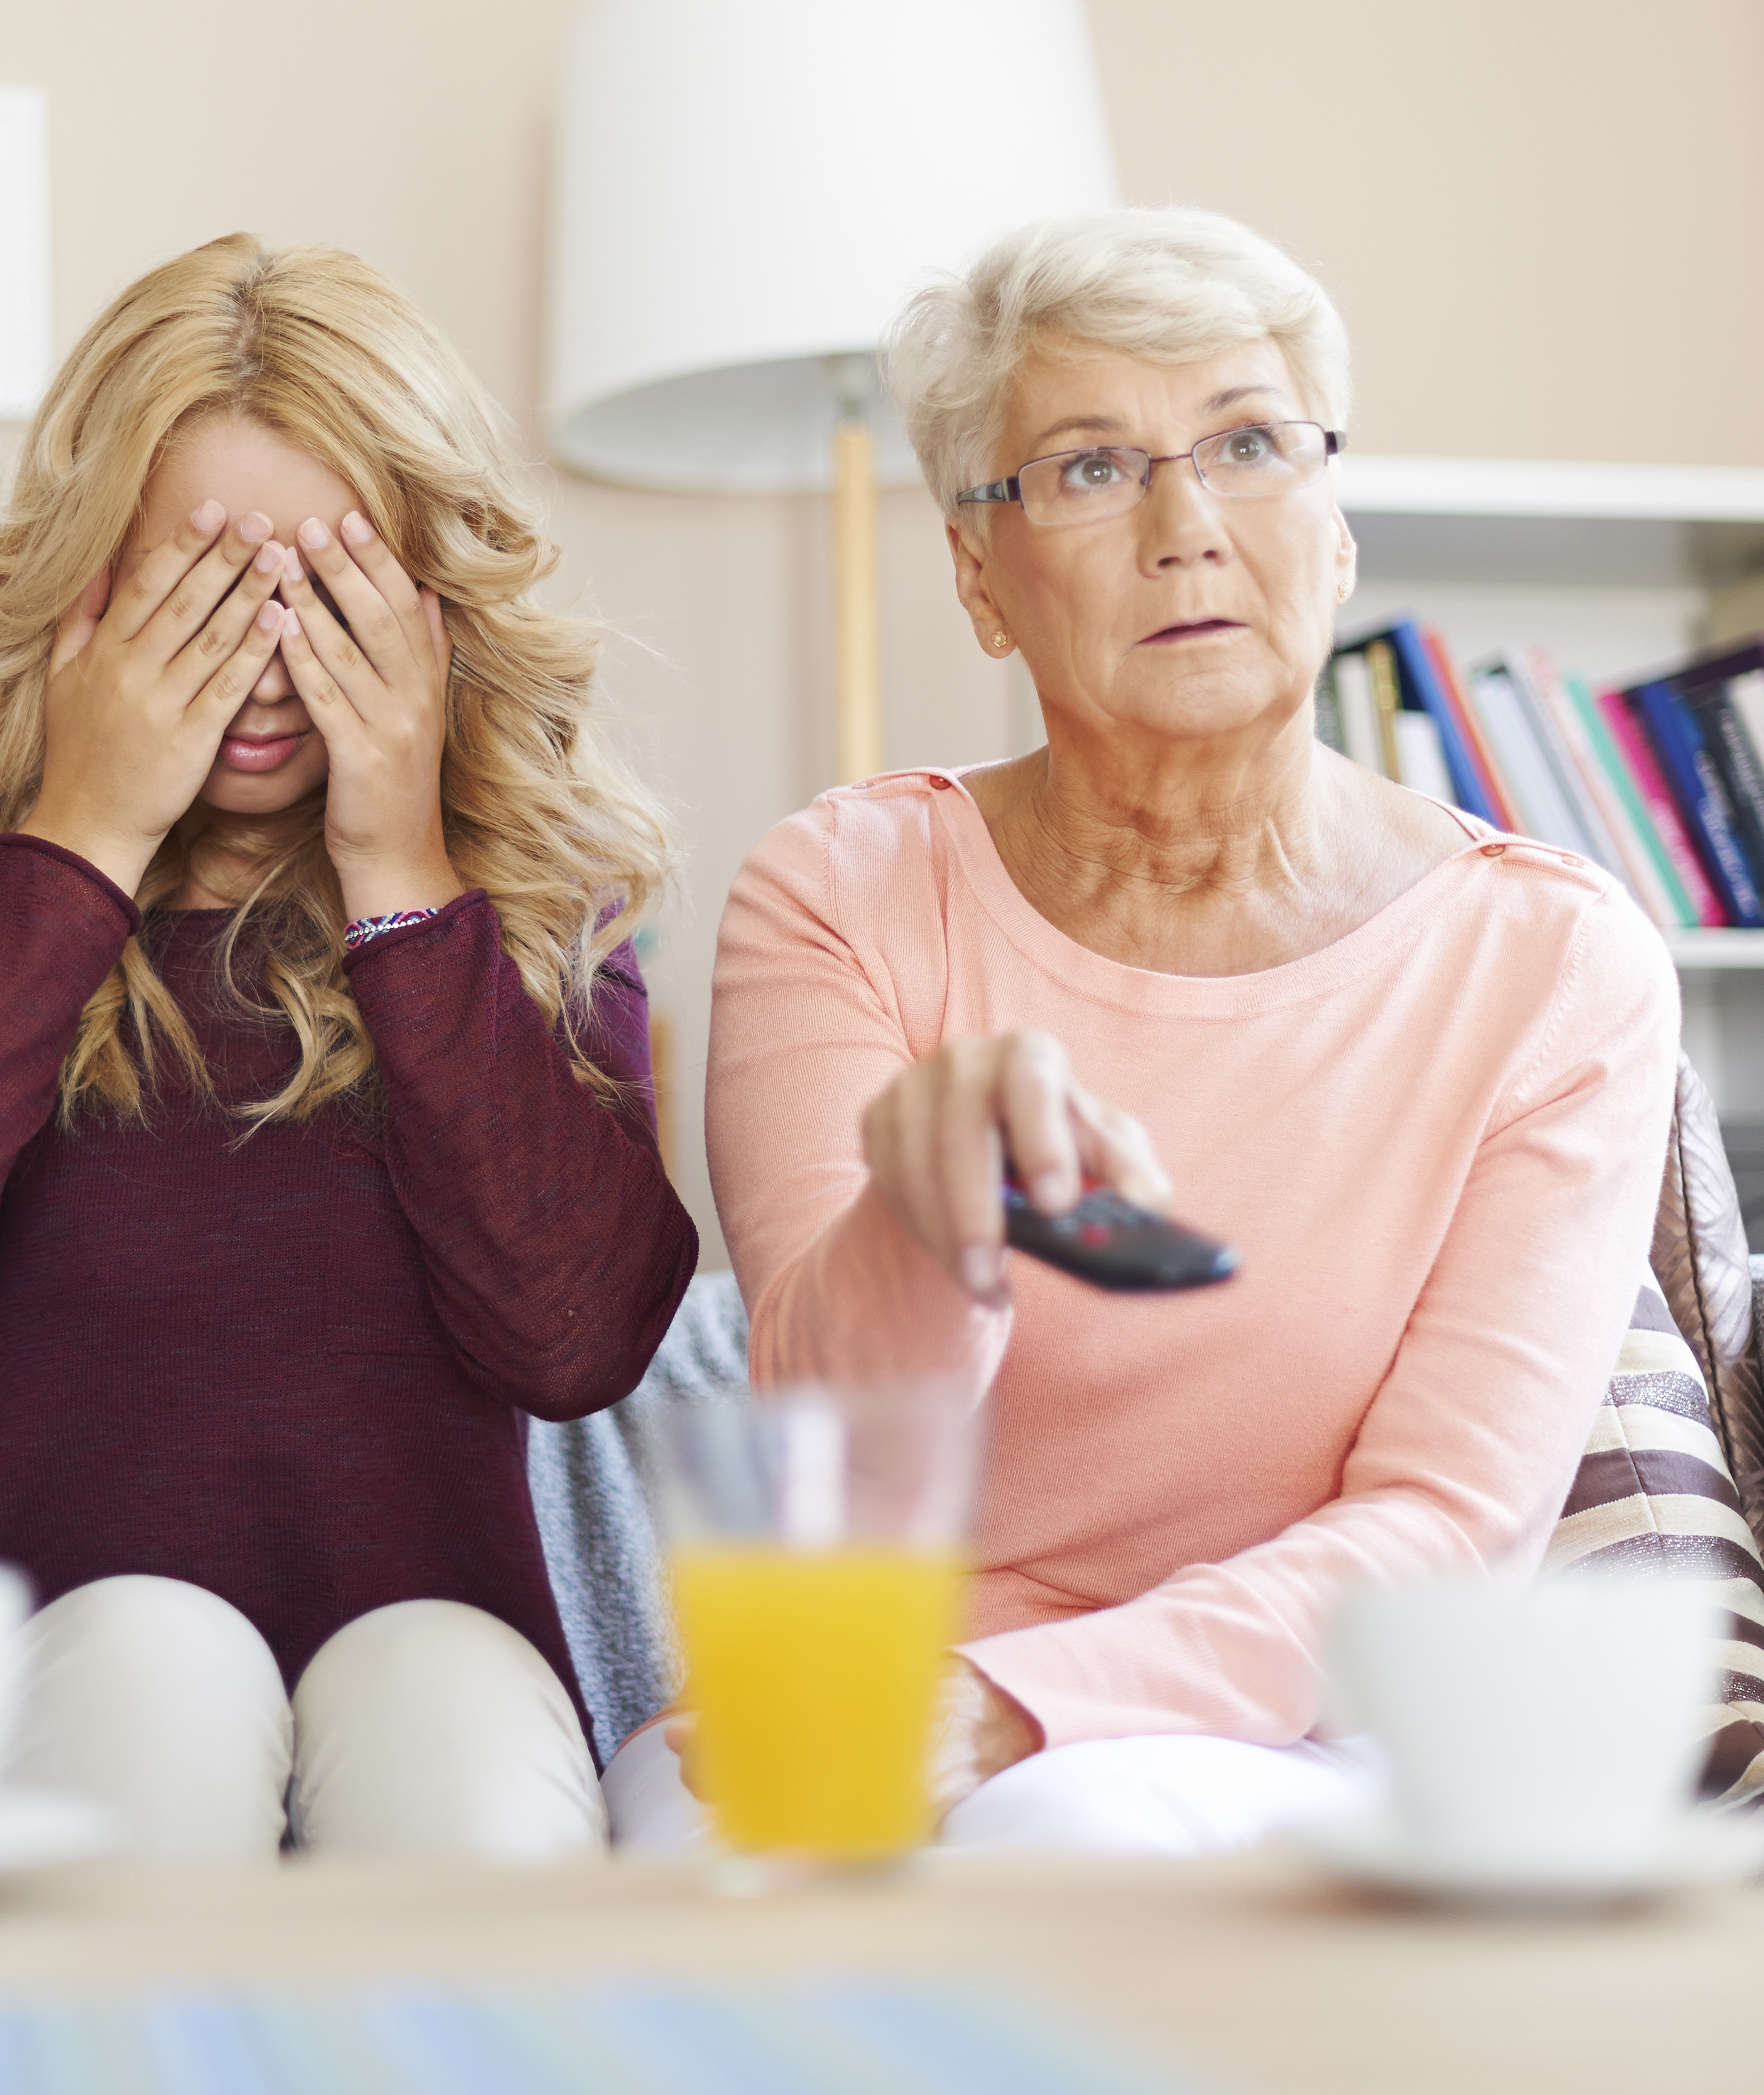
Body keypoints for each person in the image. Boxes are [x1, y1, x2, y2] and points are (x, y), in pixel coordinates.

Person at [644, 207, 1677, 1855]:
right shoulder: (837, 892)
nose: (1185, 526)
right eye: (1089, 467)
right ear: (979, 576)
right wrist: (928, 1215)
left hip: (1290, 1727)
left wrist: (1013, 1704)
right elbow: (826, 1449)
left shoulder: (1555, 962)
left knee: (1058, 1833)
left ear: (1336, 530)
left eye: (1249, 444)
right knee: (710, 1857)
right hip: (848, 1684)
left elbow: (1443, 1526)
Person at [0, 234, 694, 1863]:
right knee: (151, 1652)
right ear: (83, 598)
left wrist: (403, 878)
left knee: (436, 1678)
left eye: (328, 593)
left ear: (431, 612)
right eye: (199, 590)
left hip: (449, 1695)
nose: (263, 656)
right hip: (65, 1696)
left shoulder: (530, 945)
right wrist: (83, 839)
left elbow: (578, 1337)